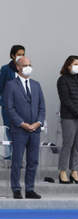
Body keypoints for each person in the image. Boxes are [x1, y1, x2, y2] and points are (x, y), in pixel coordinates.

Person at [3, 56, 44, 199]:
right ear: (18, 67)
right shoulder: (11, 85)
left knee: (33, 161)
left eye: (30, 64)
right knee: (17, 161)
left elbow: (42, 107)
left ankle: (30, 189)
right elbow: (9, 108)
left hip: (35, 129)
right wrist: (22, 124)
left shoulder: (36, 85)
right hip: (20, 130)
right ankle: (16, 188)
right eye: (25, 65)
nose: (28, 67)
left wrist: (38, 122)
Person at [56, 55, 78, 185]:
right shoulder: (62, 80)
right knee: (68, 144)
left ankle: (74, 170)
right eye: (75, 64)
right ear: (68, 65)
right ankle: (62, 171)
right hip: (69, 117)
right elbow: (65, 100)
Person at [0, 45, 25, 127]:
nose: (21, 57)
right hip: (9, 107)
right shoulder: (5, 69)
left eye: (23, 54)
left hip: (22, 106)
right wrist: (4, 103)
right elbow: (1, 87)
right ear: (13, 55)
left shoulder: (25, 69)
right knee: (9, 131)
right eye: (19, 54)